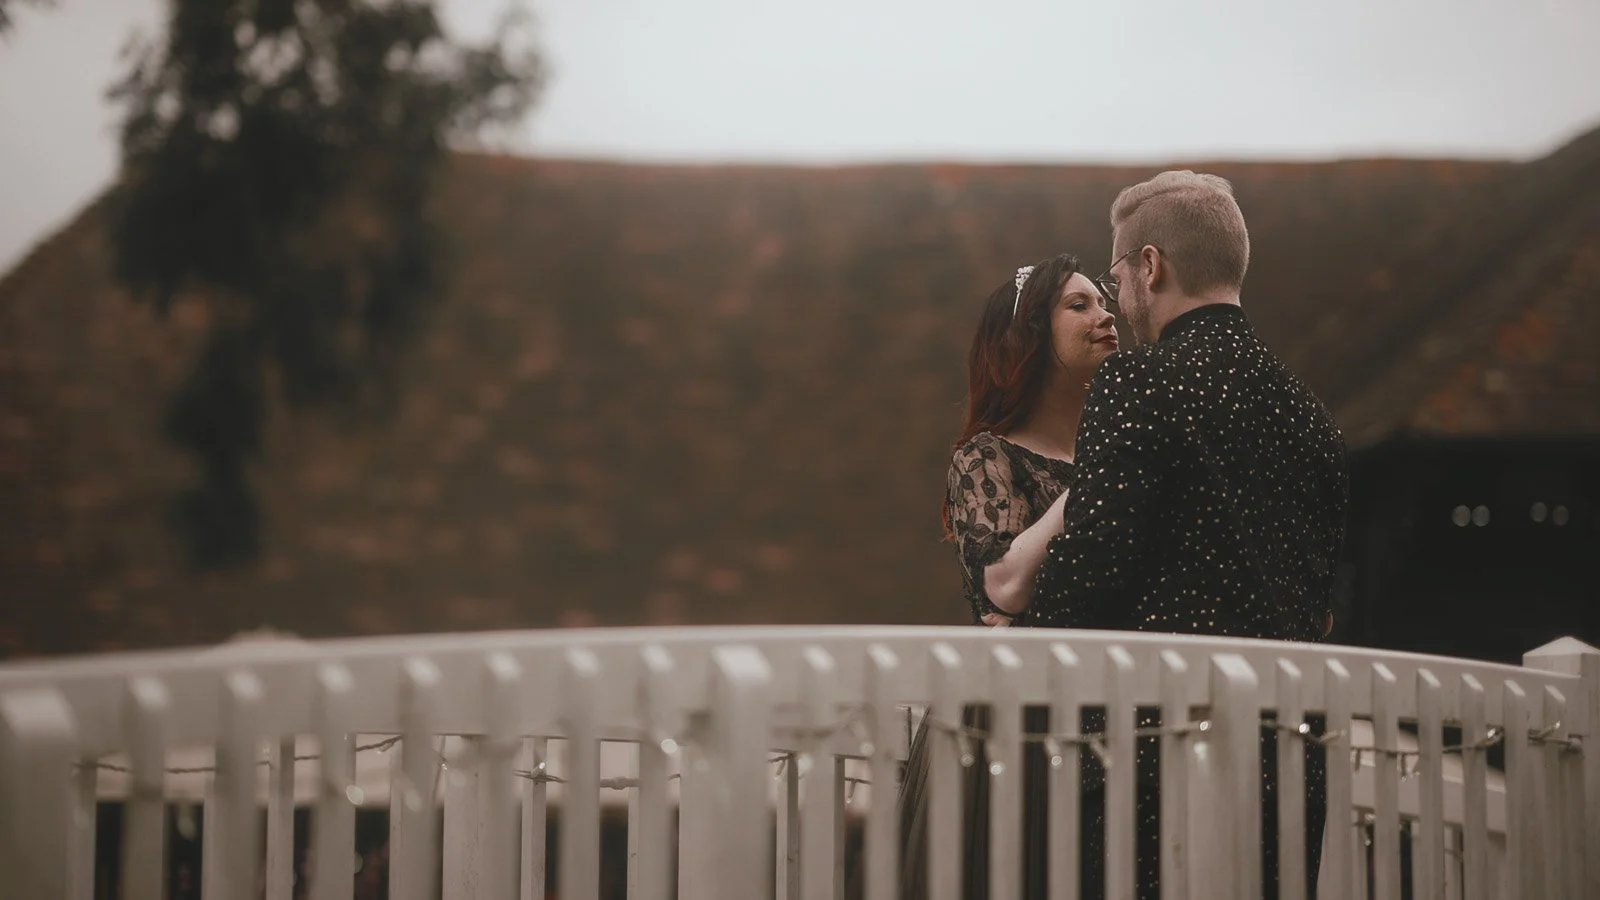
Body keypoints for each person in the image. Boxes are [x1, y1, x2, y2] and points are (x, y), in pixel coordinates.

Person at [1029, 171, 1349, 899]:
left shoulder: (1138, 383)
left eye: (1116, 273)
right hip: (1291, 761)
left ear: (1150, 265)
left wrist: (1018, 642)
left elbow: (1095, 562)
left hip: (1157, 755)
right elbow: (1323, 599)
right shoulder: (1312, 418)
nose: (1115, 295)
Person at [899, 252, 1119, 899]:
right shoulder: (986, 457)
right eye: (1079, 305)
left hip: (1108, 709)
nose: (1105, 315)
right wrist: (1093, 483)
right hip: (1007, 721)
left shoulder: (1126, 452)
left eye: (1105, 302)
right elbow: (1005, 584)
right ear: (1029, 338)